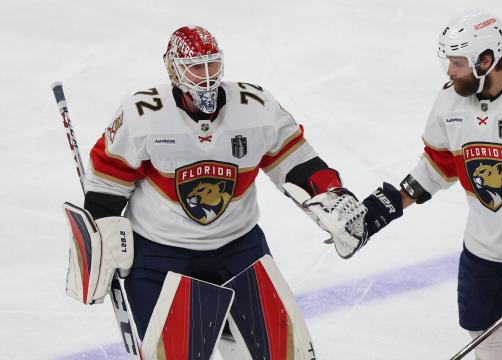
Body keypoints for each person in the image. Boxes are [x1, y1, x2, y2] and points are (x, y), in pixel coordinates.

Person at [305, 9, 502, 360]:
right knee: (489, 351)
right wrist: (386, 207)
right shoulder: (449, 102)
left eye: (457, 62)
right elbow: (439, 164)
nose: (449, 71)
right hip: (483, 256)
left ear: (486, 60)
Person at [80, 25, 343, 357]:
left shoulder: (256, 106)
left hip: (238, 248)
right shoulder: (142, 114)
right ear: (174, 70)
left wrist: (331, 193)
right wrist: (101, 233)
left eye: (212, 64)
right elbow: (107, 180)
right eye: (195, 66)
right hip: (160, 255)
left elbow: (296, 159)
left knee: (284, 353)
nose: (206, 76)